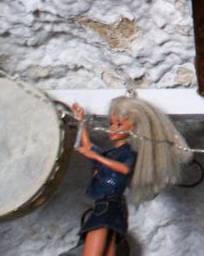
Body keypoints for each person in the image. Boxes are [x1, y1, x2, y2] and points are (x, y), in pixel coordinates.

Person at [71, 97, 191, 256]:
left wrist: (96, 158)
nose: (112, 128)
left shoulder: (126, 153)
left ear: (134, 128)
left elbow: (124, 169)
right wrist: (81, 122)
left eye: (119, 124)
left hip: (107, 207)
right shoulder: (112, 153)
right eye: (111, 124)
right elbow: (88, 146)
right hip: (107, 207)